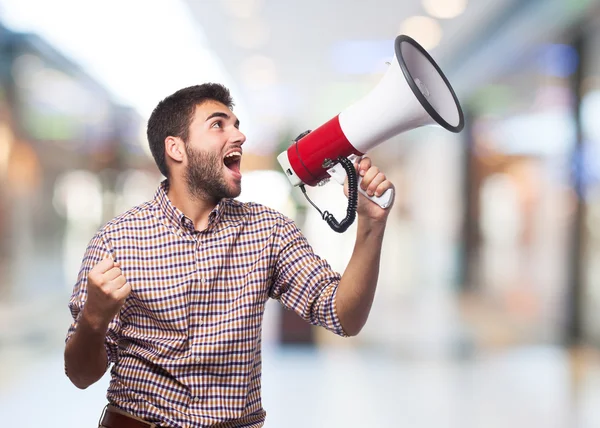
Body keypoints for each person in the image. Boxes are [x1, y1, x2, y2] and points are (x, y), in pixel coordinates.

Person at [64, 83, 395, 428]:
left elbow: (344, 317)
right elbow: (81, 375)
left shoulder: (269, 232)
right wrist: (93, 318)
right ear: (176, 148)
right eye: (219, 124)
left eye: (236, 124)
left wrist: (371, 225)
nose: (239, 135)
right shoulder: (117, 240)